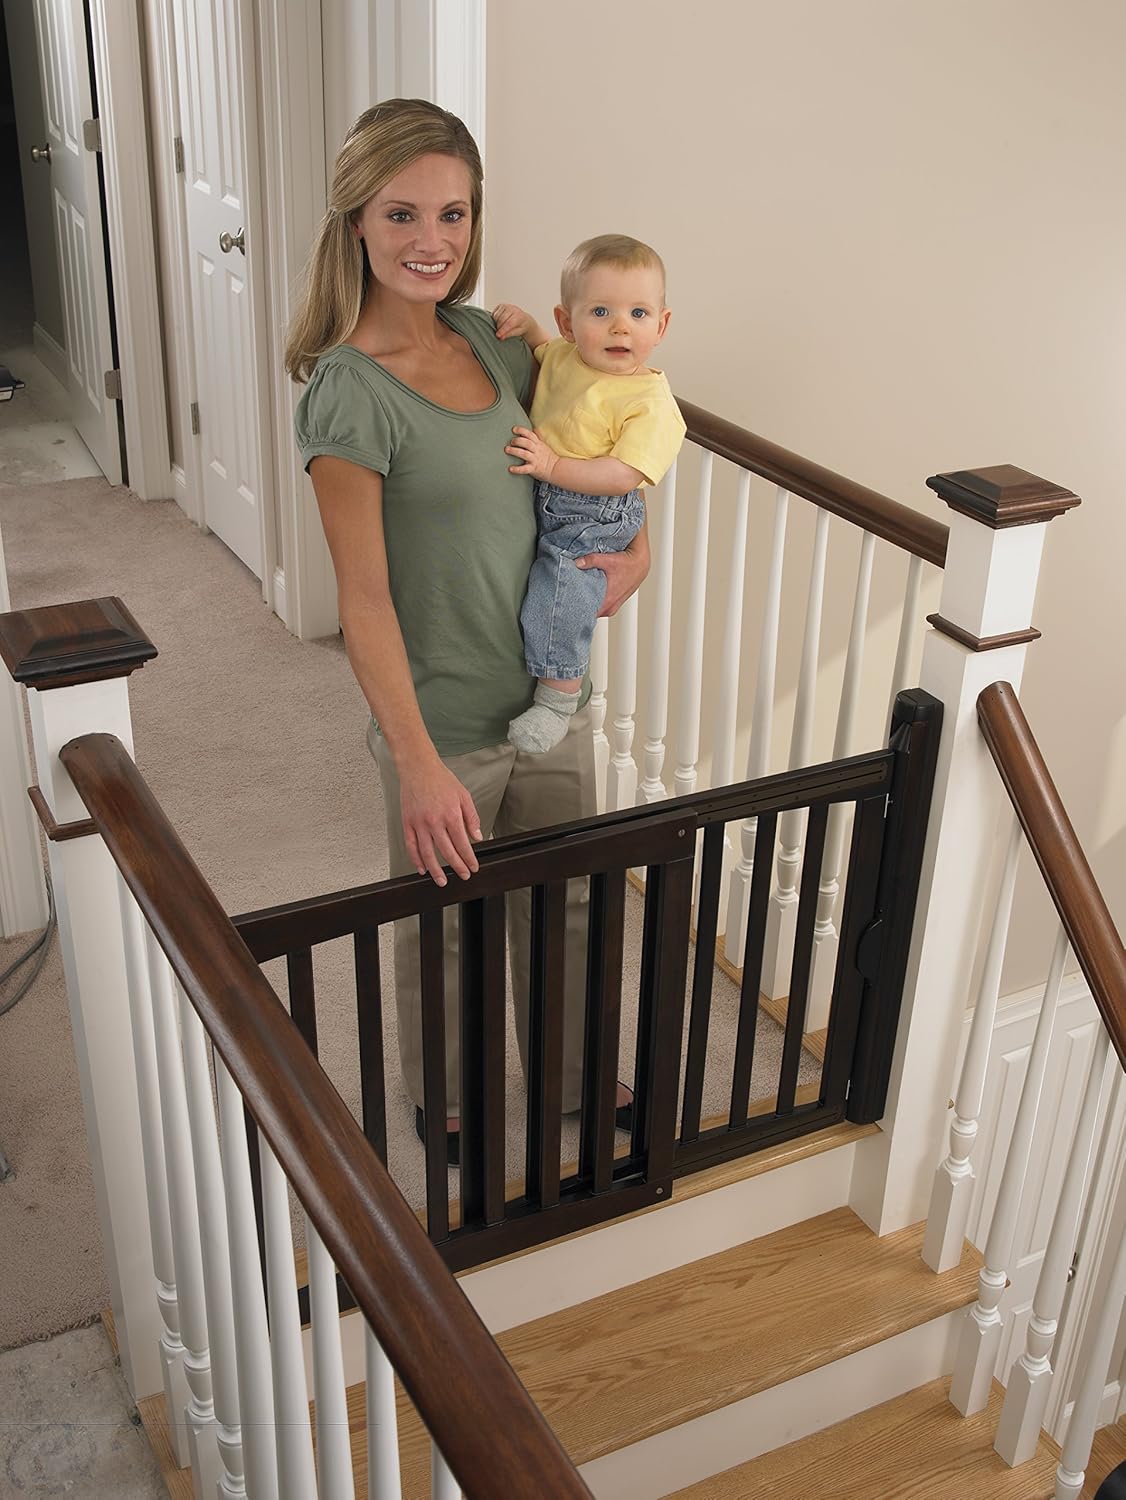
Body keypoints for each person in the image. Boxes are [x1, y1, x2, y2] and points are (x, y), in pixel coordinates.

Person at [285, 100, 646, 1160]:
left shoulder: (498, 344)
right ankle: (443, 1091)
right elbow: (362, 600)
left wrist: (640, 549)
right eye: (401, 214)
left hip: (547, 695)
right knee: (444, 925)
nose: (431, 240)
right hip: (440, 722)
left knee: (570, 902)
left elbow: (593, 449)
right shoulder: (347, 395)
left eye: (453, 213)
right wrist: (414, 762)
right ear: (356, 218)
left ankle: (573, 1073)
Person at [493, 235, 686, 754]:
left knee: (562, 585)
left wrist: (553, 466)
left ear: (662, 325)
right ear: (566, 322)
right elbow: (542, 347)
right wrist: (526, 325)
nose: (621, 327)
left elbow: (624, 474)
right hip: (550, 490)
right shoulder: (564, 355)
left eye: (639, 313)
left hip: (597, 510)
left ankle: (559, 696)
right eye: (601, 311)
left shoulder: (651, 400)